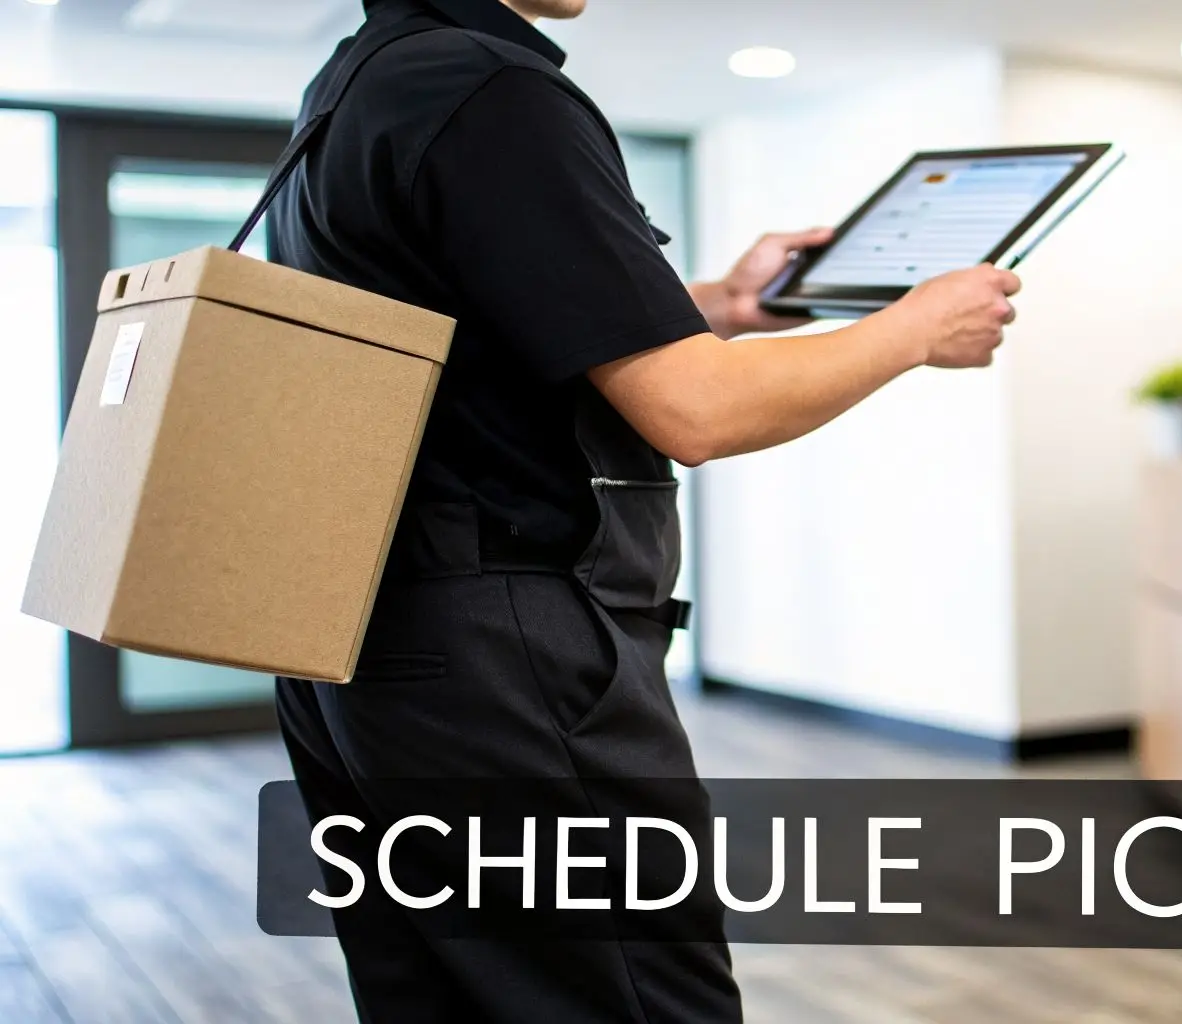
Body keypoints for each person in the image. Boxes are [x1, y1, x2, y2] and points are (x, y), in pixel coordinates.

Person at [265, 0, 1022, 1020]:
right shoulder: (493, 89)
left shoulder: (363, 81)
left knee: (448, 998)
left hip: (372, 639)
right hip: (507, 654)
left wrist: (717, 305)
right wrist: (915, 327)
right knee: (644, 997)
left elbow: (493, 333)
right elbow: (698, 411)